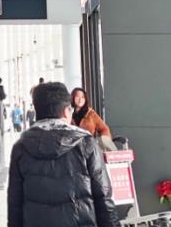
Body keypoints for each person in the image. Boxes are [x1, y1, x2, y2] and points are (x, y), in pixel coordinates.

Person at [8, 82, 120, 227]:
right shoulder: (86, 144)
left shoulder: (21, 147)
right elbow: (103, 196)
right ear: (66, 111)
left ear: (37, 110)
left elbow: (15, 204)